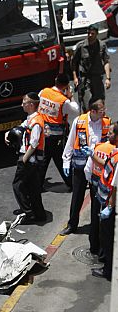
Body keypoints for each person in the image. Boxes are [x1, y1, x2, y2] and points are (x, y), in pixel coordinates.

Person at [61, 98, 111, 236]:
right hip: (80, 166)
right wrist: (66, 161)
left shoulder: (106, 122)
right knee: (77, 196)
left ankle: (95, 227)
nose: (104, 112)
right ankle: (72, 225)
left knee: (96, 198)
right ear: (93, 111)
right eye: (101, 110)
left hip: (96, 167)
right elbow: (70, 142)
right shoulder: (79, 121)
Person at [7, 93, 47, 223]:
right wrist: (8, 134)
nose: (22, 105)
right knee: (33, 187)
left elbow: (34, 143)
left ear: (31, 105)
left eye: (24, 103)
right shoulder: (31, 118)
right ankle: (39, 214)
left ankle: (28, 212)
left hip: (29, 160)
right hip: (32, 160)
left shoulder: (36, 122)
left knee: (18, 185)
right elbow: (22, 126)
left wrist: (24, 158)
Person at [84, 123, 118, 259]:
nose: (107, 134)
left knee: (102, 227)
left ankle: (102, 256)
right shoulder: (113, 151)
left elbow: (89, 169)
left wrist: (110, 205)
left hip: (105, 194)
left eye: (110, 132)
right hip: (103, 193)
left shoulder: (101, 147)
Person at [39, 73, 79, 186]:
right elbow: (75, 111)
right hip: (56, 136)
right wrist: (71, 97)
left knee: (44, 158)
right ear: (66, 86)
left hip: (42, 132)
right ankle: (71, 183)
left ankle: (38, 184)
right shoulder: (63, 101)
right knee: (61, 159)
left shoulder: (44, 92)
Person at [92, 142, 118, 279]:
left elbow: (115, 186)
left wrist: (109, 207)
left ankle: (108, 271)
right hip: (108, 202)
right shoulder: (115, 153)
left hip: (111, 205)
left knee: (108, 240)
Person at [72, 25, 112, 105]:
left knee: (99, 103)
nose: (90, 35)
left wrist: (108, 78)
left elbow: (106, 62)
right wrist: (75, 78)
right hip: (85, 79)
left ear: (97, 34)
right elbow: (74, 63)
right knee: (86, 103)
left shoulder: (102, 46)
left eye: (92, 33)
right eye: (89, 33)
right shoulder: (81, 46)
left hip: (97, 78)